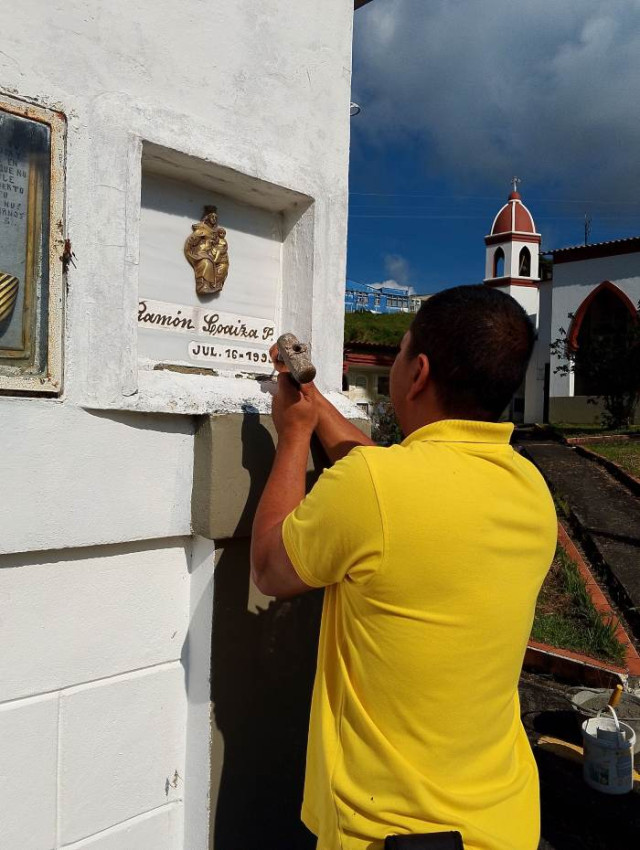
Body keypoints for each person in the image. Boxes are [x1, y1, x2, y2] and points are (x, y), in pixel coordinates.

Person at [251, 284, 557, 850]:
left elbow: (270, 567)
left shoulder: (374, 489)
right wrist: (320, 411)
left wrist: (293, 436)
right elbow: (392, 479)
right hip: (507, 820)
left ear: (417, 373)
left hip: (389, 832)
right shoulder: (531, 490)